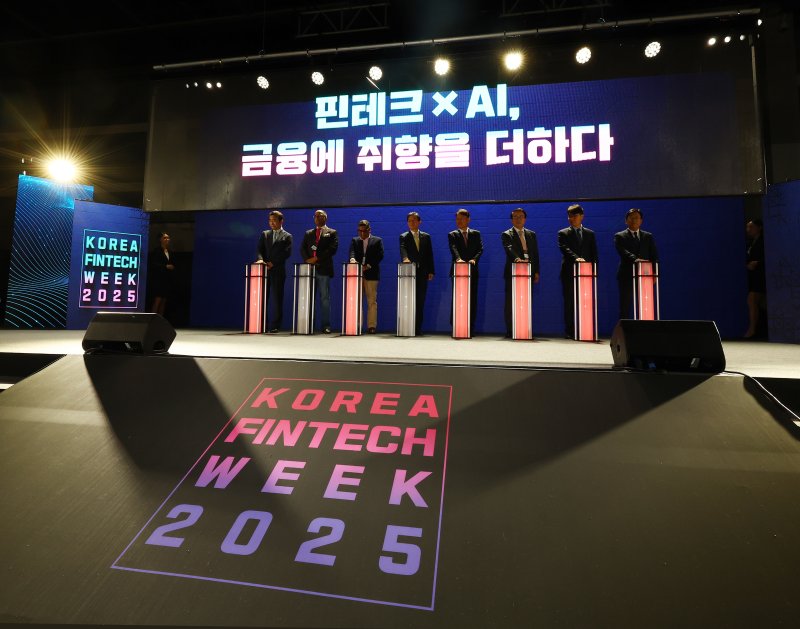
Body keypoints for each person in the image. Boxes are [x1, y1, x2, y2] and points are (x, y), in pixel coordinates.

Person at [558, 204, 599, 339]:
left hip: (586, 274)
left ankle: (585, 328)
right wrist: (577, 258)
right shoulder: (563, 233)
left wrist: (595, 271)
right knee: (569, 302)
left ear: (582, 216)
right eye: (569, 216)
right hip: (569, 272)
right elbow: (564, 248)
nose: (571, 218)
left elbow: (594, 253)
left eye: (574, 216)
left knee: (586, 301)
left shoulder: (590, 233)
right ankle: (570, 330)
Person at [501, 208, 540, 338]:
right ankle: (510, 330)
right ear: (511, 220)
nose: (518, 219)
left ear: (525, 219)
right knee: (510, 302)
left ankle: (524, 329)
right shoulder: (506, 234)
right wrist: (517, 259)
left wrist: (536, 271)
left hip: (528, 272)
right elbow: (509, 249)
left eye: (521, 216)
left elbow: (535, 254)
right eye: (515, 217)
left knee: (526, 301)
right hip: (513, 272)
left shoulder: (531, 234)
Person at [614, 208, 659, 320]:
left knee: (646, 304)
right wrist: (636, 259)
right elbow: (623, 252)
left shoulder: (648, 236)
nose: (634, 220)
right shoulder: (619, 236)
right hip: (626, 275)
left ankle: (645, 327)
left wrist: (654, 273)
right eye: (631, 218)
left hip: (645, 275)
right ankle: (624, 328)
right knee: (625, 305)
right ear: (626, 221)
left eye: (637, 218)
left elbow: (654, 255)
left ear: (641, 221)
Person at [301, 209, 339, 333]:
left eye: (320, 216)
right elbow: (303, 248)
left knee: (324, 298)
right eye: (316, 216)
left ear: (325, 218)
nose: (317, 218)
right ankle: (308, 325)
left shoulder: (332, 232)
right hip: (309, 270)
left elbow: (332, 249)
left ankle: (326, 326)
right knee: (309, 298)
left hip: (324, 269)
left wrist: (316, 258)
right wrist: (308, 260)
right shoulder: (308, 233)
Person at [256, 210, 292, 332]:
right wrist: (261, 260)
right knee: (262, 298)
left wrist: (273, 263)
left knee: (277, 299)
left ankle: (275, 325)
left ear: (281, 221)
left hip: (278, 271)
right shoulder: (265, 234)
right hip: (264, 270)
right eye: (270, 220)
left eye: (274, 220)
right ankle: (262, 324)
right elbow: (259, 249)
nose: (271, 223)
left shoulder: (287, 236)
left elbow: (286, 253)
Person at [400, 211, 435, 336]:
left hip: (423, 273)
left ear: (419, 222)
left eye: (414, 220)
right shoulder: (404, 236)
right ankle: (407, 327)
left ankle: (417, 328)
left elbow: (430, 254)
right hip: (409, 272)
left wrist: (431, 270)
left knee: (420, 301)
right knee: (409, 301)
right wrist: (405, 258)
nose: (411, 223)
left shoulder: (426, 236)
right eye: (409, 221)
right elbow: (403, 248)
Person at [447, 208, 483, 331]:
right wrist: (459, 259)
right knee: (458, 298)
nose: (459, 221)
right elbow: (453, 248)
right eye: (457, 219)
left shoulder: (476, 234)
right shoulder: (452, 234)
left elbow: (480, 249)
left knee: (472, 298)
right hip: (458, 270)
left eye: (462, 219)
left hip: (472, 270)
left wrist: (474, 259)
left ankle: (470, 326)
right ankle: (456, 326)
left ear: (468, 219)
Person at [348, 219, 384, 334]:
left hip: (371, 274)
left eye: (364, 231)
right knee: (356, 301)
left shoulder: (377, 240)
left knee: (371, 301)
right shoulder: (355, 240)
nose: (362, 233)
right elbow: (352, 252)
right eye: (360, 231)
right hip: (357, 275)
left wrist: (368, 266)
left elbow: (379, 256)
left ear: (369, 230)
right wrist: (352, 260)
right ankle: (356, 325)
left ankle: (371, 326)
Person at [745, 219, 767, 339]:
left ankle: (752, 329)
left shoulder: (764, 241)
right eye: (747, 227)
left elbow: (769, 256)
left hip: (762, 275)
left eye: (751, 227)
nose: (748, 230)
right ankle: (755, 329)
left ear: (759, 227)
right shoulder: (750, 242)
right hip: (754, 276)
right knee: (753, 301)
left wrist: (757, 263)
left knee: (752, 299)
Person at [149, 232, 175, 317]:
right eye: (165, 238)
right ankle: (152, 319)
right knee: (158, 299)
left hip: (167, 279)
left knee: (164, 300)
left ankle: (160, 319)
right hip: (159, 279)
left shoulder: (170, 251)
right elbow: (154, 264)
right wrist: (165, 266)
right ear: (160, 239)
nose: (167, 239)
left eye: (168, 238)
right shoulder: (157, 251)